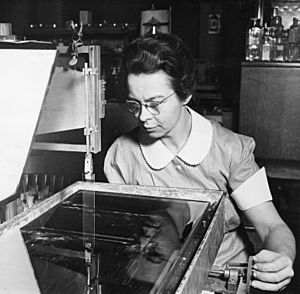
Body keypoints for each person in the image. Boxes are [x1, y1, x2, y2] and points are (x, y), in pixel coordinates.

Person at [103, 33, 295, 293]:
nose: (144, 116)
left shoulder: (230, 149)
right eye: (134, 105)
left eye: (155, 103)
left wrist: (281, 257)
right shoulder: (122, 156)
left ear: (185, 93)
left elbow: (271, 225)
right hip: (154, 282)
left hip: (221, 283)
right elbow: (125, 240)